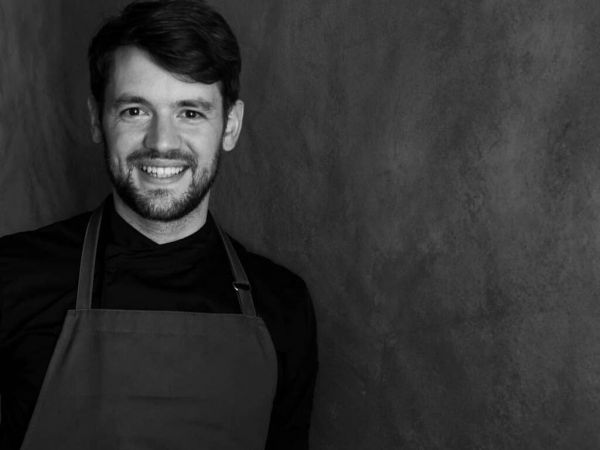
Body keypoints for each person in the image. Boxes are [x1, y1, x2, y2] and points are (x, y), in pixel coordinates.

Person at [0, 1, 318, 449]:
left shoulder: (283, 305)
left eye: (190, 112)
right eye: (135, 111)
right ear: (97, 119)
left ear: (230, 126)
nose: (162, 143)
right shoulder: (12, 277)